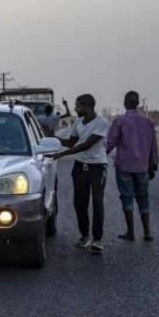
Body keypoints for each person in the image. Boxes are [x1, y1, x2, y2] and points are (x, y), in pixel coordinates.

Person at [47, 94, 110, 253]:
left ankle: (97, 239)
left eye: (78, 106)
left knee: (97, 202)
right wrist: (53, 139)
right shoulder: (77, 122)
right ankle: (84, 235)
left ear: (87, 107)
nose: (75, 109)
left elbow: (86, 145)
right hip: (81, 166)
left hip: (97, 167)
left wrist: (61, 155)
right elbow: (71, 143)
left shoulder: (101, 123)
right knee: (80, 203)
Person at [106, 91, 159, 242]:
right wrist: (153, 165)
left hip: (124, 166)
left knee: (127, 197)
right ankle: (147, 232)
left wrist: (101, 156)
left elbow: (110, 142)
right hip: (142, 166)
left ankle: (131, 232)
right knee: (143, 198)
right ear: (138, 103)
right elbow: (153, 146)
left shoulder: (120, 121)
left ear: (125, 103)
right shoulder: (147, 122)